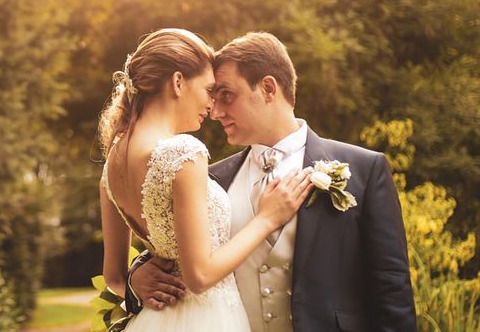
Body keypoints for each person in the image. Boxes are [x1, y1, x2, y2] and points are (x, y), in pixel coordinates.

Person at [125, 32, 417, 331]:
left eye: (226, 95)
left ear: (267, 88)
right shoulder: (209, 178)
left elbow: (391, 290)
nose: (215, 112)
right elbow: (173, 249)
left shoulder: (364, 170)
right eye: (212, 98)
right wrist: (136, 277)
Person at [99, 28, 314, 331]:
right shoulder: (184, 152)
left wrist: (136, 279)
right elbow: (199, 276)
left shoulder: (112, 163)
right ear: (177, 82)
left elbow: (115, 278)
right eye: (209, 91)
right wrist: (267, 219)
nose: (212, 107)